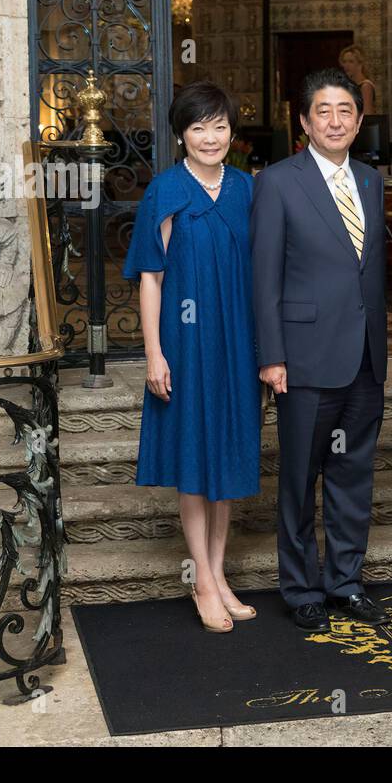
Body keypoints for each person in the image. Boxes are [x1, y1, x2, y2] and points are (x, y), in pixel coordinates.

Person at [250, 68, 389, 633]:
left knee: (353, 474)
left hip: (364, 357)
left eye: (345, 111)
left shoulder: (372, 180)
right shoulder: (278, 182)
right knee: (300, 477)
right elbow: (264, 277)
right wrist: (272, 354)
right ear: (304, 121)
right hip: (303, 358)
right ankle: (301, 586)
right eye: (322, 111)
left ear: (358, 121)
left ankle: (346, 581)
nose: (335, 121)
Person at [123, 80, 262, 634]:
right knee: (193, 457)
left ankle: (220, 572)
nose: (211, 137)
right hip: (185, 343)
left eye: (220, 125)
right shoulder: (164, 190)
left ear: (233, 131)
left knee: (226, 457)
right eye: (199, 127)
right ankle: (201, 578)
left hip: (237, 340)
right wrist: (154, 353)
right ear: (181, 134)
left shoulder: (248, 190)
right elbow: (151, 279)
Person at [339, 44, 378, 115]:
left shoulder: (365, 86)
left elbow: (367, 114)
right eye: (344, 62)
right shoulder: (349, 86)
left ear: (360, 64)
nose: (346, 65)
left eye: (351, 61)